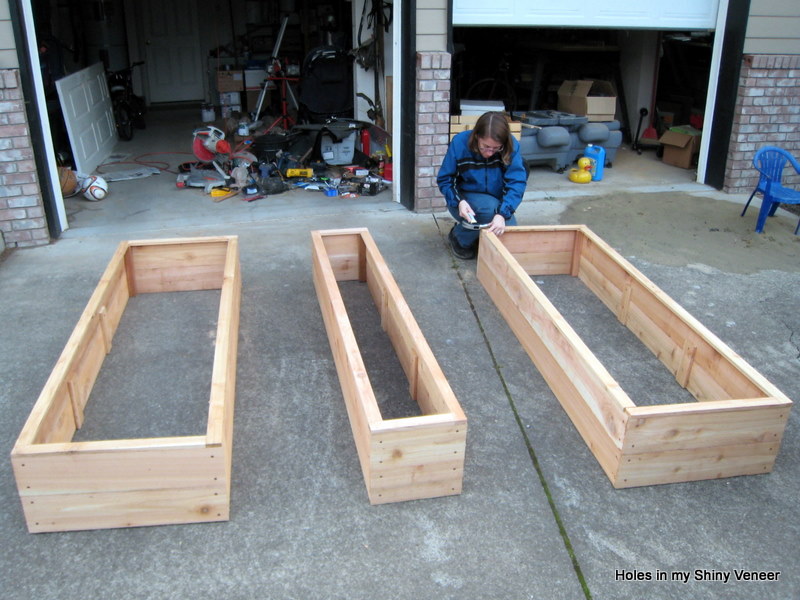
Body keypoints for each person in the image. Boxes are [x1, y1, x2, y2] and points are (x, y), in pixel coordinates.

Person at [437, 111, 528, 259]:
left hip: (496, 200)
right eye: (485, 146)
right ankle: (459, 238)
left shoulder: (511, 145)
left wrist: (503, 213)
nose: (489, 153)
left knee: (508, 231)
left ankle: (479, 233)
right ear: (477, 136)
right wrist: (459, 201)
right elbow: (445, 179)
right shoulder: (460, 143)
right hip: (465, 202)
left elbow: (517, 182)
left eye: (496, 148)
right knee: (488, 211)